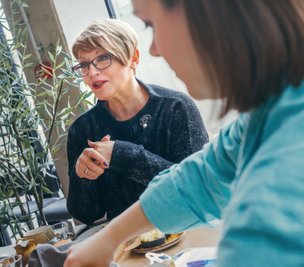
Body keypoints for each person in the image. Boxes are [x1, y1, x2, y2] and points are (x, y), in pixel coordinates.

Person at [65, 1, 304, 266]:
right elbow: (197, 178)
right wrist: (110, 237)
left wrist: (125, 156)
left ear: (207, 14)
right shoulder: (263, 119)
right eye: (84, 65)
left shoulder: (288, 147)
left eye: (150, 24)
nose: (154, 50)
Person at [66, 19, 208, 225]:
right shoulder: (82, 129)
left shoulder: (175, 107)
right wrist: (82, 175)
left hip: (188, 229)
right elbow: (87, 214)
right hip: (125, 244)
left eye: (103, 58)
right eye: (84, 65)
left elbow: (196, 188)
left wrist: (124, 155)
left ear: (133, 58)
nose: (92, 72)